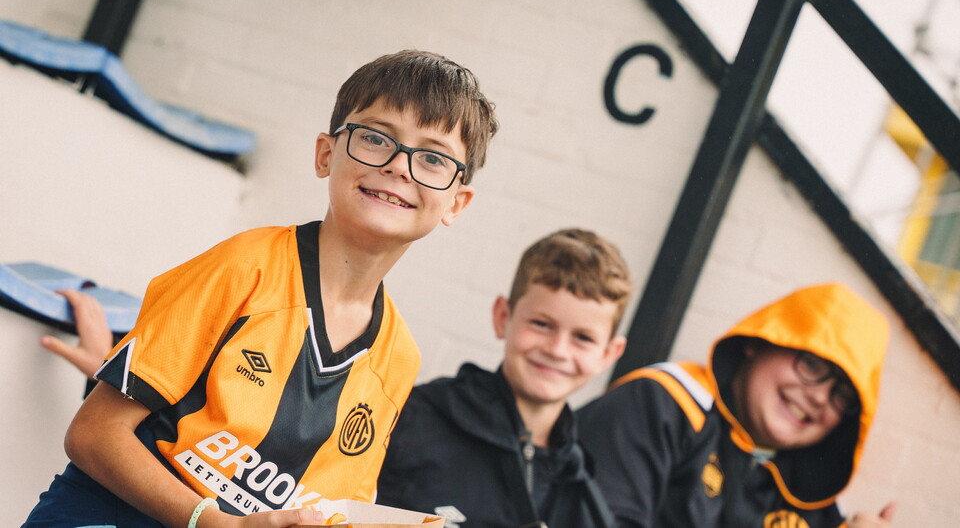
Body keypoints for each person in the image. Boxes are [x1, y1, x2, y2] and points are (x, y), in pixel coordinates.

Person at [24, 49, 498, 528]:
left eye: (433, 158)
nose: (399, 165)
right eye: (376, 138)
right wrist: (218, 523)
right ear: (325, 154)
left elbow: (327, 513)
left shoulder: (398, 360)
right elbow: (93, 434)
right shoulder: (242, 268)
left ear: (457, 203)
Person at [577, 283, 897, 528]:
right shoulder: (660, 405)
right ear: (758, 344)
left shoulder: (814, 502)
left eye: (842, 394)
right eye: (812, 365)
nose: (819, 397)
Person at [376, 228, 631, 528]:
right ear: (502, 317)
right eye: (541, 324)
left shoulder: (583, 496)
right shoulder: (411, 419)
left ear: (609, 354)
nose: (557, 350)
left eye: (583, 338)